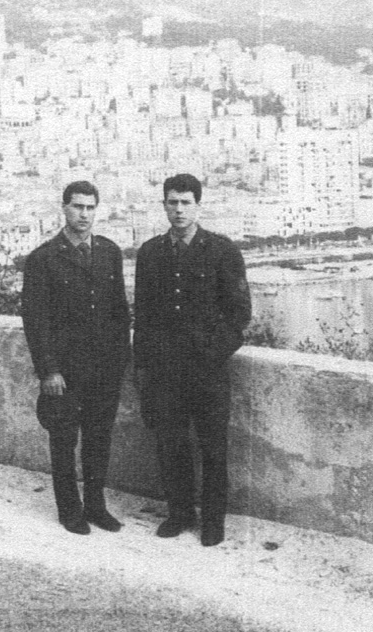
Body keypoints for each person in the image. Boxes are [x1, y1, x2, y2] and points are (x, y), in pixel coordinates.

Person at [133, 173, 251, 546]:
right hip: (165, 372)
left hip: (208, 372)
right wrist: (144, 369)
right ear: (164, 205)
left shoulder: (222, 251)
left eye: (186, 202)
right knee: (171, 445)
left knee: (213, 448)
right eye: (173, 202)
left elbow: (239, 314)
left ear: (198, 205)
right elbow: (144, 317)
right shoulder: (150, 253)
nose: (179, 209)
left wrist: (211, 354)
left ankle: (213, 521)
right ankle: (180, 513)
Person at [22, 180, 131, 536]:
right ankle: (70, 510)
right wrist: (48, 370)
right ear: (64, 208)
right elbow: (35, 320)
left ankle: (96, 506)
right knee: (64, 440)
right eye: (77, 206)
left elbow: (119, 311)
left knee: (99, 440)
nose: (84, 214)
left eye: (90, 207)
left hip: (103, 368)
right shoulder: (43, 258)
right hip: (65, 371)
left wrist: (120, 361)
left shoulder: (109, 252)